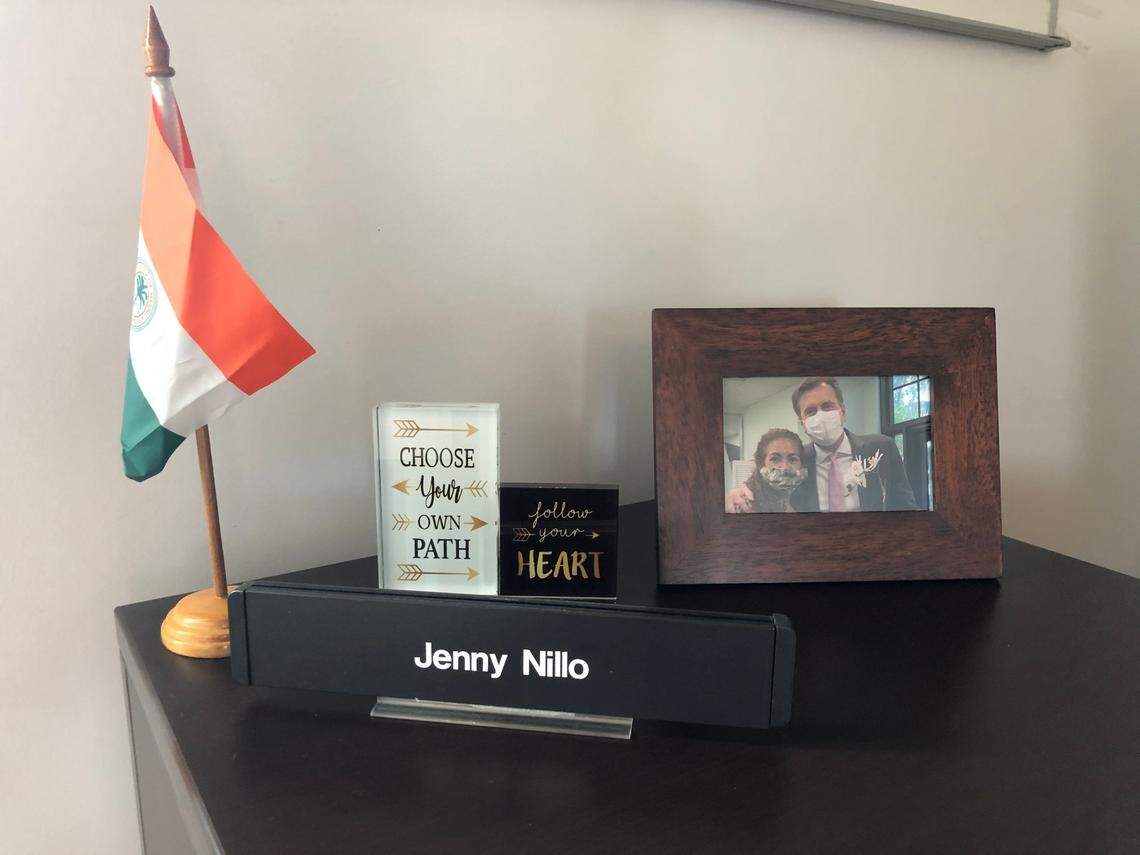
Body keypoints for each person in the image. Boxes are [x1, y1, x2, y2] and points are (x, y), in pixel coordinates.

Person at [788, 377, 918, 512]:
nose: (820, 415)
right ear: (803, 424)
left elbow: (905, 507)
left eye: (827, 406)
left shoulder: (882, 448)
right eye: (810, 411)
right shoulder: (796, 462)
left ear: (842, 412)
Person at [725, 428, 807, 513]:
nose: (785, 467)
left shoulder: (802, 498)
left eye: (793, 459)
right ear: (761, 464)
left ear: (802, 465)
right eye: (775, 459)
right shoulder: (744, 504)